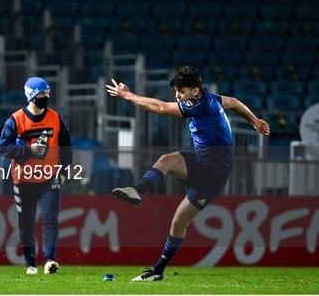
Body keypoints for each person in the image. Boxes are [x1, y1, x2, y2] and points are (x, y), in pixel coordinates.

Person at [106, 66, 270, 281]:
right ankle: (157, 270)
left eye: (181, 92)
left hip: (212, 175)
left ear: (195, 91)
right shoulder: (212, 98)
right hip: (202, 163)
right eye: (176, 92)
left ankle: (157, 267)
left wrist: (127, 95)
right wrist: (254, 120)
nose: (177, 96)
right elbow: (235, 103)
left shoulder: (199, 104)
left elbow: (161, 108)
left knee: (179, 220)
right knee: (176, 216)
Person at [0, 77, 72, 275]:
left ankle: (50, 260)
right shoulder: (15, 120)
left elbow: (66, 147)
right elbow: (3, 147)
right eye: (42, 94)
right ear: (31, 95)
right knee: (26, 222)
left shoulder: (56, 118)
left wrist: (64, 171)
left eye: (47, 94)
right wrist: (29, 151)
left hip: (50, 178)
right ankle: (31, 263)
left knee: (51, 219)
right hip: (23, 180)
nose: (46, 98)